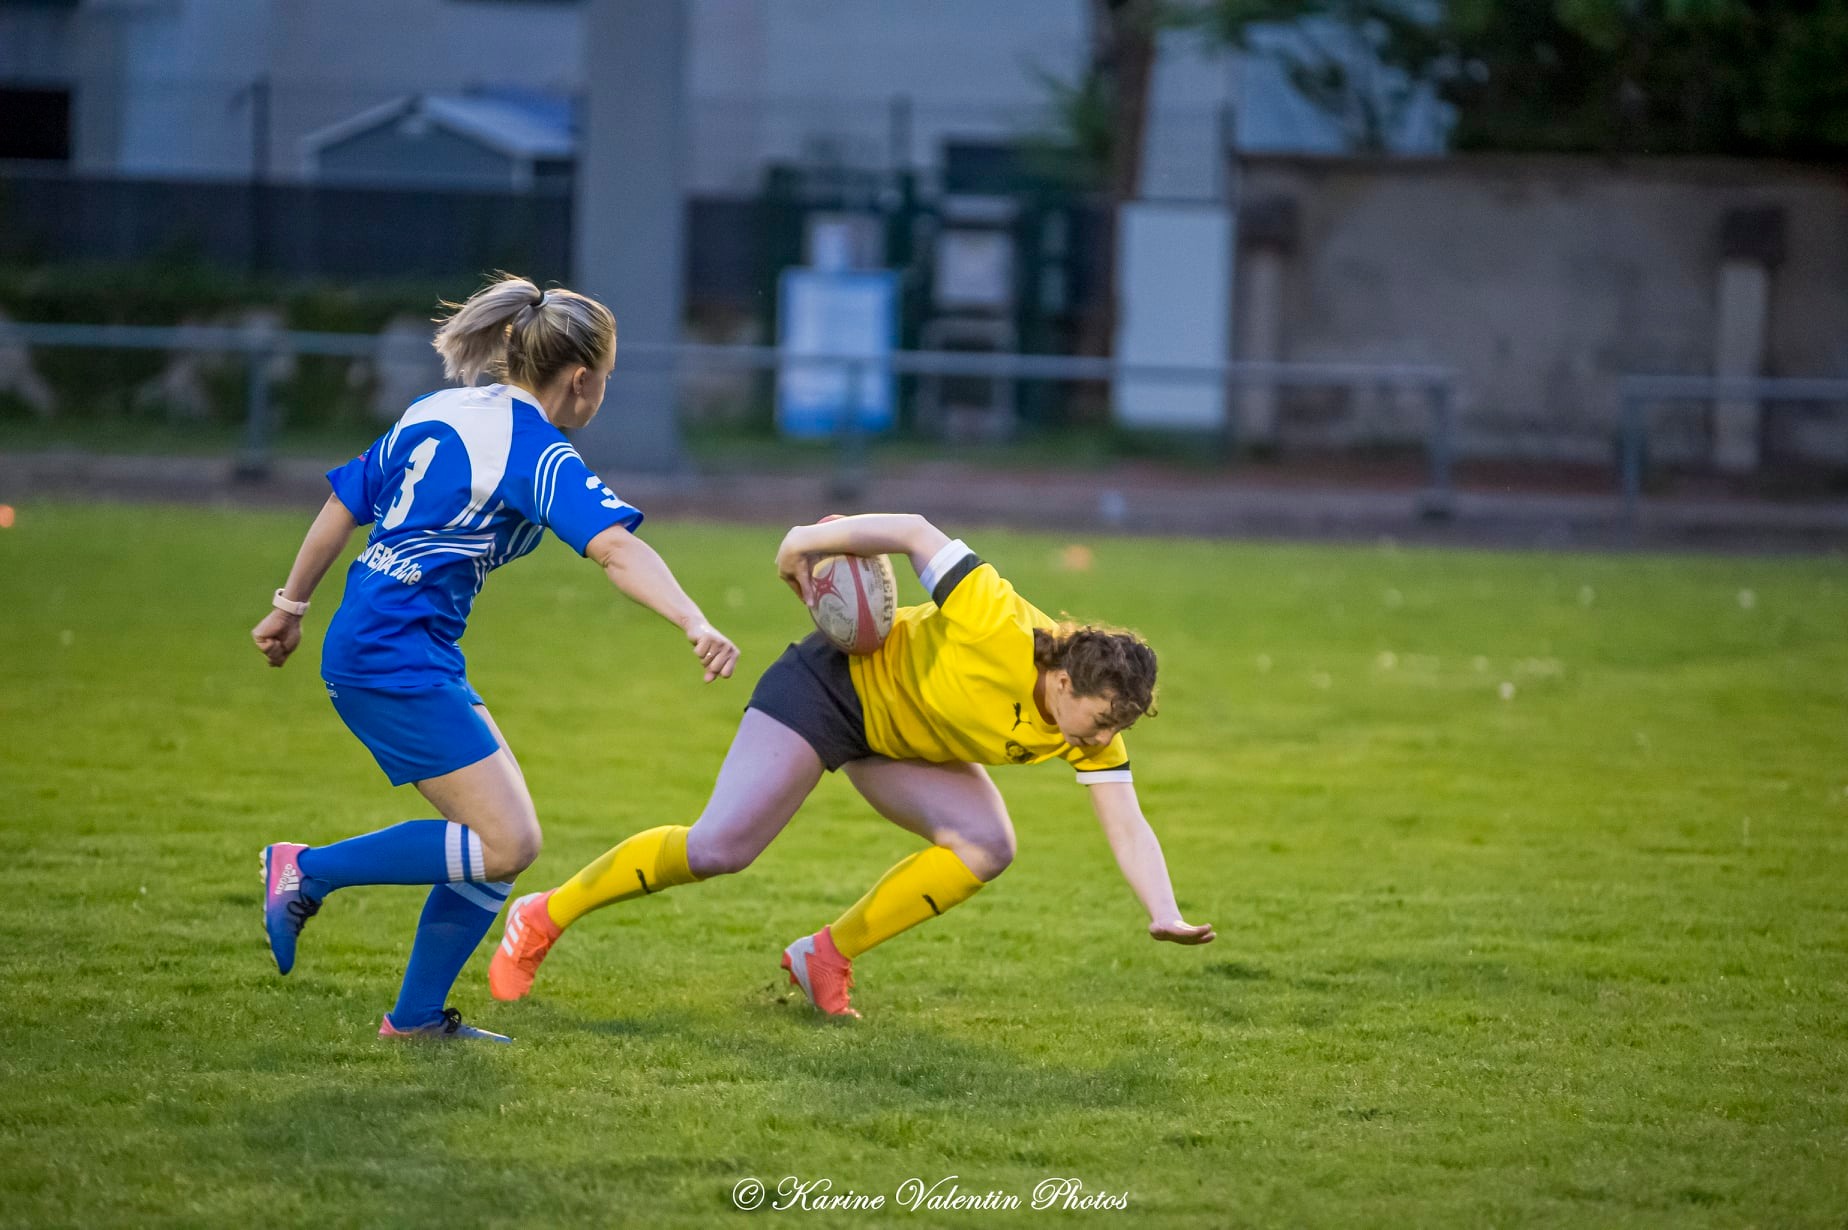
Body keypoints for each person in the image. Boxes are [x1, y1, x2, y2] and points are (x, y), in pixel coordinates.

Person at [250, 274, 739, 1042]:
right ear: (581, 379)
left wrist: (290, 605)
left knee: (500, 848)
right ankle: (305, 871)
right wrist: (693, 620)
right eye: (606, 379)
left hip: (391, 644)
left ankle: (415, 1020)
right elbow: (615, 549)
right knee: (508, 842)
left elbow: (344, 504)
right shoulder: (535, 450)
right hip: (392, 656)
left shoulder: (439, 409)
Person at [490, 513, 1213, 1019]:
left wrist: (1165, 913)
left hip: (900, 742)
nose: (1103, 738)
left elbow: (1128, 826)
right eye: (1100, 720)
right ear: (1061, 680)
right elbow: (915, 531)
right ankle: (543, 914)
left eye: (1117, 727)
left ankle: (824, 957)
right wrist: (802, 542)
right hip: (830, 690)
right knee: (719, 849)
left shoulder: (1093, 730)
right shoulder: (997, 619)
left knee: (988, 846)